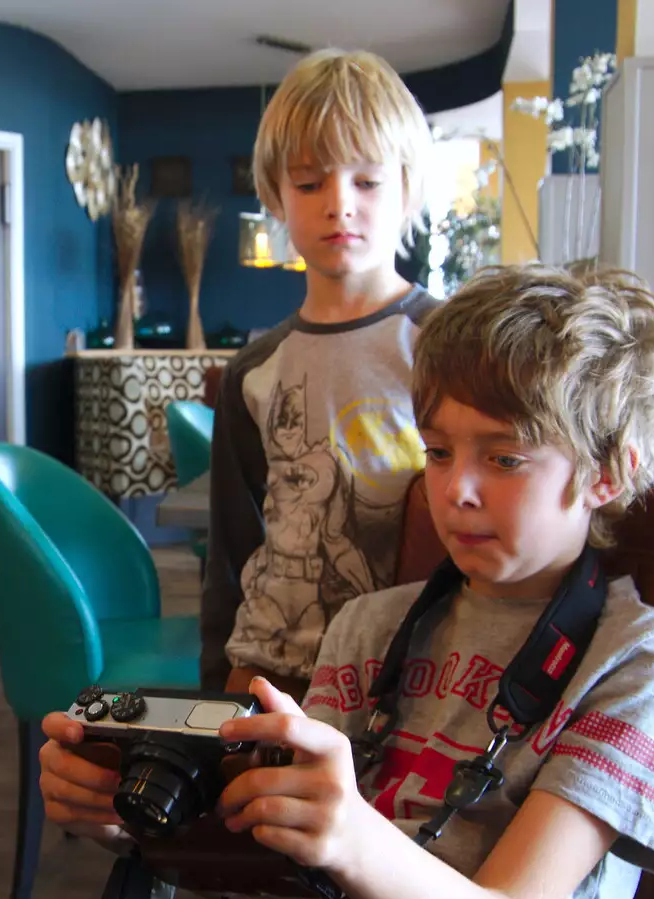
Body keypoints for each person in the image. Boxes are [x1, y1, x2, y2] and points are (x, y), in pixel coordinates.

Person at [40, 263, 654, 899]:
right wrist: (125, 817)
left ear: (609, 472)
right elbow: (279, 867)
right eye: (440, 451)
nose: (457, 491)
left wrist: (348, 834)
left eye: (505, 458)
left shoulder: (640, 659)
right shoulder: (369, 625)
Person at [201, 48, 441, 697]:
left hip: (411, 674)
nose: (340, 205)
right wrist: (213, 692)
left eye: (367, 181)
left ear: (408, 187)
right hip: (273, 676)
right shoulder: (253, 372)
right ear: (277, 197)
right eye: (310, 183)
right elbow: (231, 549)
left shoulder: (448, 345)